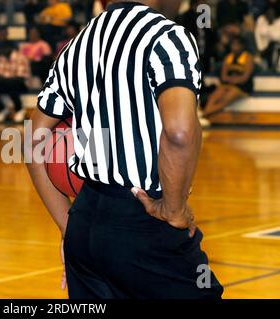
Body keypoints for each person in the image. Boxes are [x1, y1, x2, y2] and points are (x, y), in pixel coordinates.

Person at [26, 0, 223, 299]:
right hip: (143, 221)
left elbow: (32, 143)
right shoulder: (168, 37)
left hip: (85, 222)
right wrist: (173, 208)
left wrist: (68, 228)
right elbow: (180, 132)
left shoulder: (78, 43)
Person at [203, 36, 255, 117]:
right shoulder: (228, 57)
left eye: (237, 44)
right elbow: (223, 77)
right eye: (233, 44)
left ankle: (203, 114)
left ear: (242, 46)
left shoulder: (248, 58)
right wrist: (233, 80)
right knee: (215, 95)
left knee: (226, 98)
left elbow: (244, 78)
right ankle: (204, 114)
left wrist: (231, 80)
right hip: (228, 85)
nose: (234, 47)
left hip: (243, 88)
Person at [0, 48, 31, 123]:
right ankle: (2, 109)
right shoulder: (2, 58)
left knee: (12, 83)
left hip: (21, 83)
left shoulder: (20, 57)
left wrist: (6, 78)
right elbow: (0, 74)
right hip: (7, 82)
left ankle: (19, 109)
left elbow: (20, 76)